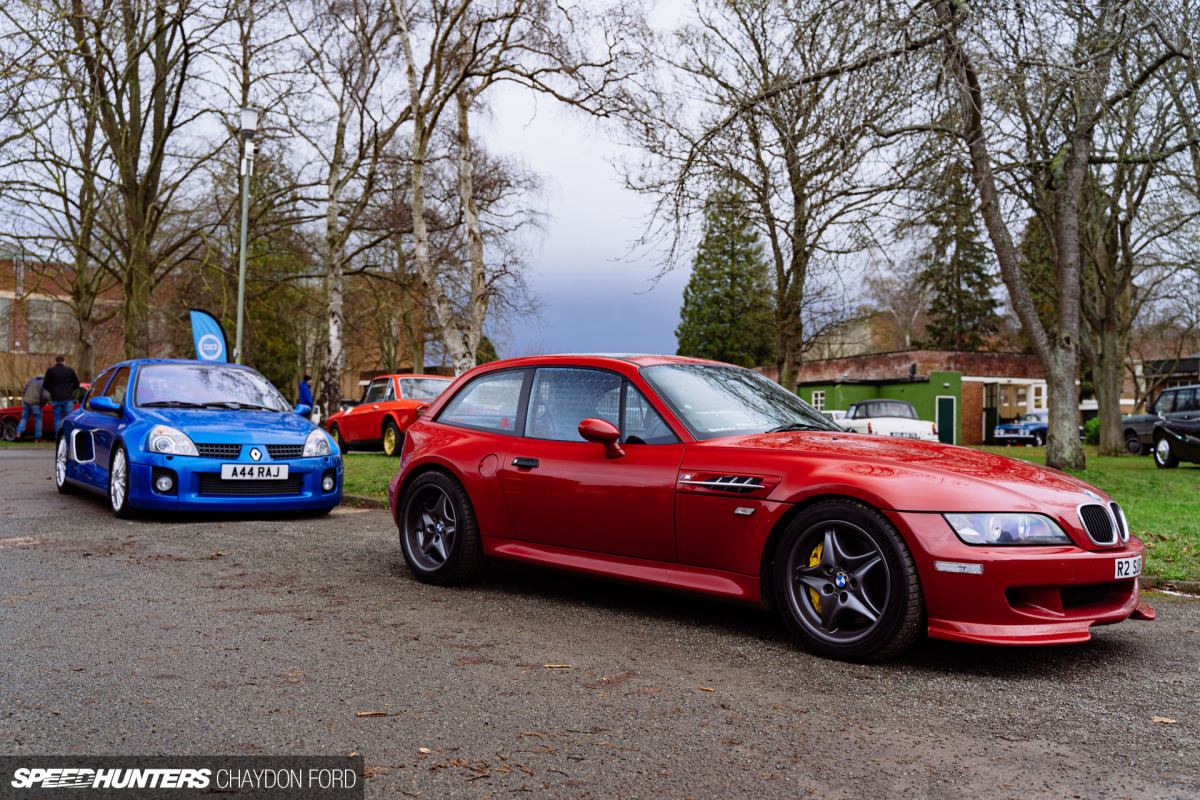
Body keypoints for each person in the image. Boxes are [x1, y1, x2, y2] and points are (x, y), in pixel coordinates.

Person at [42, 355, 80, 439]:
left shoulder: (50, 371)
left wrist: (52, 390)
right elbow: (77, 383)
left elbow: (45, 384)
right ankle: (68, 436)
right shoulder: (69, 371)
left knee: (57, 419)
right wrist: (70, 389)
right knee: (69, 418)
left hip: (56, 397)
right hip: (68, 397)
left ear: (55, 362)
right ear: (64, 362)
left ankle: (58, 437)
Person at [15, 374, 48, 442]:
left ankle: (18, 433)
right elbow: (44, 396)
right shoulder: (44, 383)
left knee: (24, 418)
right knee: (38, 419)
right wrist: (42, 403)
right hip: (36, 403)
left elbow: (26, 389)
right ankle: (37, 437)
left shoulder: (31, 380)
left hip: (26, 402)